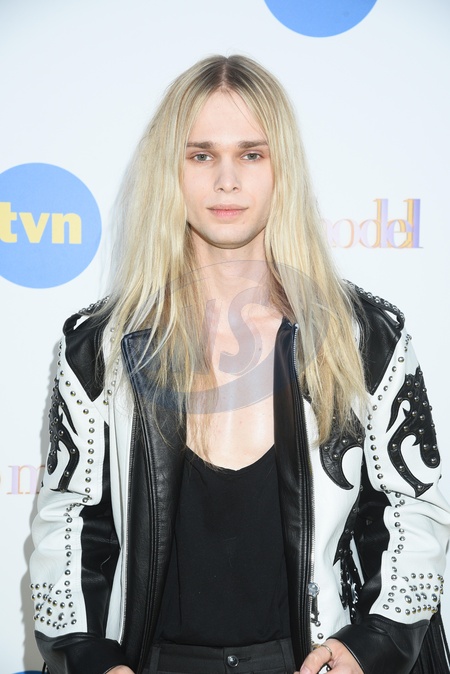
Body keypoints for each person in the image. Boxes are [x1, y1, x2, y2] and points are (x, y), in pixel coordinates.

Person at [30, 55, 450, 674]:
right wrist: (88, 656)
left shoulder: (364, 337)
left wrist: (372, 645)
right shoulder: (100, 347)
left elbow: (412, 510)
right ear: (170, 170)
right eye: (201, 155)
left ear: (283, 169)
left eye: (251, 154)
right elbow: (69, 525)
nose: (226, 181)